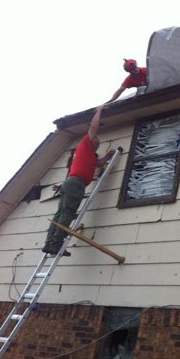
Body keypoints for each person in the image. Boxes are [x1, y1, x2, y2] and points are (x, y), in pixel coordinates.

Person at [42, 105, 115, 256]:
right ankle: (56, 243)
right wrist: (99, 111)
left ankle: (49, 244)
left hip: (71, 183)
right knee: (67, 213)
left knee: (61, 213)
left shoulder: (90, 155)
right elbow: (94, 126)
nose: (97, 142)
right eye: (97, 141)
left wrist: (108, 156)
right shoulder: (86, 144)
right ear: (91, 140)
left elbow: (99, 162)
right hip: (76, 184)